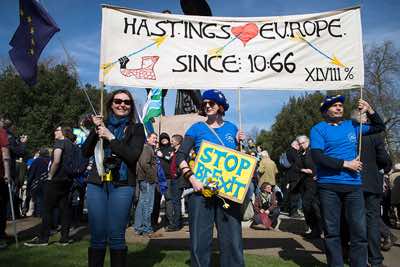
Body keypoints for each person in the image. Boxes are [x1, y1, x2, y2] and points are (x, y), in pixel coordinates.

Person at [310, 95, 385, 267]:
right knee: (332, 232)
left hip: (353, 187)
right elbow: (318, 156)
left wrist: (370, 110)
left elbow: (379, 127)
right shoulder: (318, 129)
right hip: (328, 186)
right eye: (334, 105)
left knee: (359, 231)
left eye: (340, 105)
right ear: (325, 111)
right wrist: (346, 164)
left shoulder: (352, 126)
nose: (339, 108)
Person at [176, 89, 246, 267]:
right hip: (201, 192)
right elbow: (180, 156)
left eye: (211, 103)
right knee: (200, 239)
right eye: (204, 104)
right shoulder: (196, 128)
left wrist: (241, 145)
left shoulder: (232, 128)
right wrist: (192, 179)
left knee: (232, 238)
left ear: (221, 106)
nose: (207, 106)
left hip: (227, 193)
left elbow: (241, 162)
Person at [81, 89, 145, 267]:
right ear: (110, 104)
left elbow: (132, 156)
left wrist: (111, 137)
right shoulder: (101, 126)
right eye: (118, 101)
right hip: (97, 182)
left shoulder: (136, 129)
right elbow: (85, 152)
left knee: (116, 234)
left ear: (131, 107)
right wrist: (96, 131)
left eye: (127, 102)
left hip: (122, 184)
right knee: (98, 235)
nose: (122, 105)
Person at [350, 110, 392, 266]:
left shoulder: (348, 137)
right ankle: (375, 260)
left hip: (353, 183)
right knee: (372, 222)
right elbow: (384, 159)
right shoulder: (374, 135)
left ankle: (357, 257)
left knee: (354, 222)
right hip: (370, 183)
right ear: (366, 119)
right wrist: (383, 168)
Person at [24, 125, 76, 247]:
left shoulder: (60, 143)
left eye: (57, 130)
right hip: (67, 179)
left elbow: (56, 160)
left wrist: (50, 175)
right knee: (64, 209)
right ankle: (65, 238)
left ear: (62, 132)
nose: (55, 132)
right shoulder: (72, 145)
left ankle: (43, 238)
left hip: (56, 179)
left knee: (47, 209)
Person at [295, 135, 322, 239]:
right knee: (307, 207)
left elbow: (321, 163)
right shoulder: (301, 153)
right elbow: (296, 167)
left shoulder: (314, 151)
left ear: (308, 141)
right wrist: (304, 170)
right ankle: (314, 229)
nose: (302, 145)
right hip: (304, 182)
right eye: (300, 143)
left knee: (313, 206)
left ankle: (318, 229)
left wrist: (316, 173)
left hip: (314, 182)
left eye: (303, 142)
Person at [134, 132, 158, 238]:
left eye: (156, 138)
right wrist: (151, 176)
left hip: (144, 179)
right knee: (147, 205)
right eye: (153, 138)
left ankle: (139, 227)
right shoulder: (147, 148)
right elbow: (144, 163)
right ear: (147, 139)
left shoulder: (148, 148)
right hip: (147, 180)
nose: (155, 140)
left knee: (142, 203)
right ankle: (146, 228)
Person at [165, 134, 184, 231]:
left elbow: (183, 164)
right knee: (175, 201)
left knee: (176, 202)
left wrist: (177, 173)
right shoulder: (175, 152)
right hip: (174, 180)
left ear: (177, 142)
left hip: (177, 180)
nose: (171, 142)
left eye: (172, 141)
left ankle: (176, 224)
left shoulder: (181, 152)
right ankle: (177, 223)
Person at [0, 118, 11, 249]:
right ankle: (1, 237)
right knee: (1, 206)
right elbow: (5, 154)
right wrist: (7, 174)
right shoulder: (2, 132)